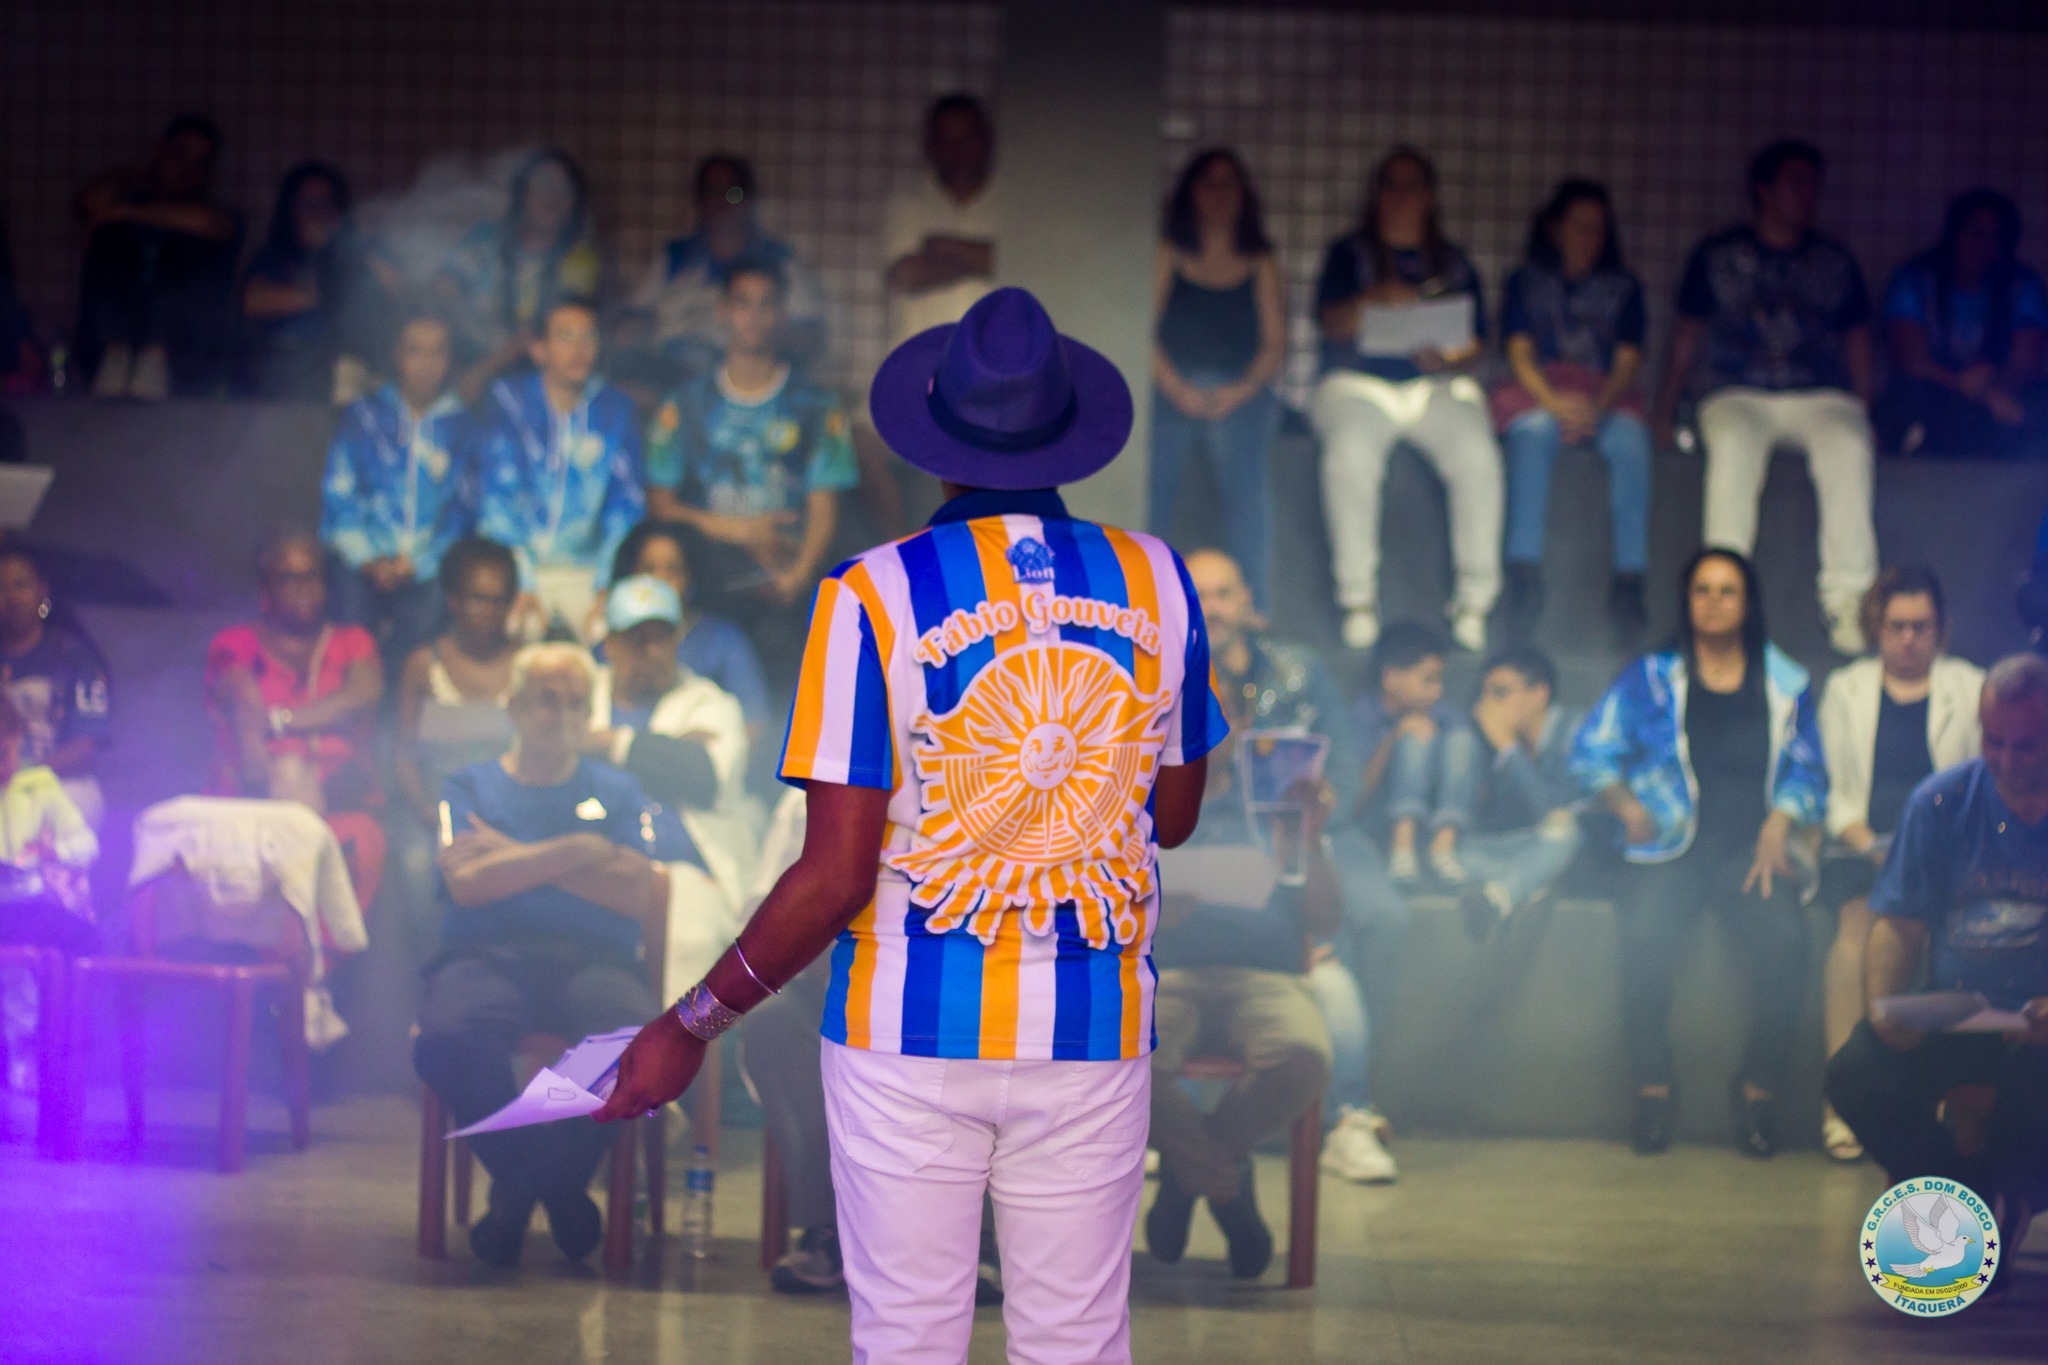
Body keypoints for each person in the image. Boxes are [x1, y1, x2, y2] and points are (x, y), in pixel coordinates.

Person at [593, 287, 1228, 1362]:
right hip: (1091, 1029)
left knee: (908, 1341)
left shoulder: (868, 596)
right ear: (1067, 438)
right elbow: (1170, 817)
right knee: (1075, 1341)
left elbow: (836, 875)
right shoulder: (1159, 581)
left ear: (937, 451)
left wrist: (691, 1022)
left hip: (905, 1038)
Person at [412, 643, 671, 1268]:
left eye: (576, 702)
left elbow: (639, 891)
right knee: (447, 1036)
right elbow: (468, 885)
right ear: (515, 707)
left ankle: (520, 1190)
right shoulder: (468, 784)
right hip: (484, 954)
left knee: (634, 1041)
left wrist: (512, 855)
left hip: (593, 960)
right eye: (546, 699)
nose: (562, 713)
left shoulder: (620, 788)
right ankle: (552, 1187)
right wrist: (581, 849)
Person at [1571, 547, 1826, 1157]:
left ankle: (1759, 1091)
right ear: (1686, 602)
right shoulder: (1653, 677)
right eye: (1702, 590)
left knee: (1788, 946)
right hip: (1668, 848)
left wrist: (1780, 823)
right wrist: (1624, 803)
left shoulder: (1785, 682)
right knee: (1644, 939)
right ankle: (1653, 1089)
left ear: (1748, 602)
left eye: (1727, 591)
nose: (1713, 602)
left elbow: (1809, 770)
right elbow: (1591, 752)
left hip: (1750, 849)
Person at [1184, 545, 1399, 1183]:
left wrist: (1321, 812)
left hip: (1313, 827)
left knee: (1375, 919)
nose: (1213, 608)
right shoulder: (1163, 677)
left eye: (1223, 593)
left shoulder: (1299, 670)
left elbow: (1342, 765)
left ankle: (1348, 1113)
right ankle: (1198, 1127)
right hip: (1211, 833)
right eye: (1198, 596)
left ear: (1248, 602)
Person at [1826, 653, 2048, 1262]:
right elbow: (1897, 923)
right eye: (1993, 741)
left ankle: (2000, 1205)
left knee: (2035, 1084)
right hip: (1962, 1019)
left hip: (2040, 1035)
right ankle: (1959, 1194)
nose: (2004, 761)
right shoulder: (1942, 802)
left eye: (2026, 747)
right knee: (1855, 1073)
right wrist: (1886, 1007)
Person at [1653, 140, 1877, 656]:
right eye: (1796, 182)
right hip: (1738, 393)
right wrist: (1664, 411)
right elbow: (1686, 336)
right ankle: (1721, 599)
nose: (1808, 195)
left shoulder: (1833, 260)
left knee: (1848, 446)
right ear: (1764, 190)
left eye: (1813, 184)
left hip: (1819, 394)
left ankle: (1848, 602)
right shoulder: (1718, 255)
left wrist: (1867, 408)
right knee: (1732, 447)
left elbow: (1858, 337)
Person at [1816, 565, 1983, 1162]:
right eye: (1897, 626)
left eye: (1921, 626)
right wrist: (1869, 843)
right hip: (1860, 841)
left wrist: (1923, 848)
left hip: (1944, 847)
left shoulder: (1970, 685)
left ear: (1940, 628)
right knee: (1855, 926)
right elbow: (1833, 789)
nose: (1909, 638)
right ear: (1876, 628)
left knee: (1953, 936)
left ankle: (1934, 1094)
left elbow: (1979, 783)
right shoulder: (1846, 688)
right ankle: (1843, 1098)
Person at [1147, 754, 1336, 1279]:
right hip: (1162, 971)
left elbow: (1327, 920)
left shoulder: (1278, 800)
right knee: (1119, 1062)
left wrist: (1312, 839)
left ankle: (1189, 1176)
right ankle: (1228, 1189)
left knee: (1303, 1057)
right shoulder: (1133, 786)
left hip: (1267, 975)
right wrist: (1150, 908)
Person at [1313, 146, 1502, 654]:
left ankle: (1474, 603)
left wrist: (1447, 355)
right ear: (1376, 195)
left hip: (1432, 387)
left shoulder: (1455, 261)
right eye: (1391, 186)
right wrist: (1377, 298)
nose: (1401, 197)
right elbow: (1329, 323)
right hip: (1359, 384)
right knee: (1349, 457)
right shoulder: (1348, 254)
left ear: (1430, 197)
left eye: (1412, 185)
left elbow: (1477, 342)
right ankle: (1356, 601)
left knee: (1477, 458)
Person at [643, 259, 857, 685]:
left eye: (766, 304)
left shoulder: (815, 405)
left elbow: (825, 504)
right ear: (722, 311)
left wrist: (801, 573)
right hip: (707, 584)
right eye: (742, 303)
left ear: (782, 314)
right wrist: (736, 530)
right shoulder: (686, 403)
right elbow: (659, 506)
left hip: (786, 587)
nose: (753, 316)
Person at [1495, 179, 1652, 639]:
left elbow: (1628, 362)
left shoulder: (1625, 287)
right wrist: (1554, 403)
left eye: (1599, 229)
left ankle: (1630, 580)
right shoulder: (1526, 281)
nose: (1590, 237)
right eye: (1579, 226)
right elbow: (1519, 353)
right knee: (1532, 434)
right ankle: (1522, 573)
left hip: (1604, 396)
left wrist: (1594, 408)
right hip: (1542, 391)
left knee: (1630, 443)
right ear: (1554, 228)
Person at [1149, 149, 1287, 611]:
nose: (1219, 195)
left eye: (1229, 184)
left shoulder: (1259, 259)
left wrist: (1237, 392)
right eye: (1209, 183)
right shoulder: (1169, 250)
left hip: (1240, 390)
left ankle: (1257, 607)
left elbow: (1273, 346)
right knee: (1155, 484)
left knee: (1247, 490)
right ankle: (1143, 600)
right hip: (1172, 385)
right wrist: (1175, 388)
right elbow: (1141, 333)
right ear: (1190, 191)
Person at [865, 93, 1000, 537]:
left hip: (995, 390)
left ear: (986, 141)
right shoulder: (907, 202)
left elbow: (1026, 262)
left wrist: (942, 247)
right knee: (921, 507)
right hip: (922, 383)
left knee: (987, 512)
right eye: (947, 139)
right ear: (929, 146)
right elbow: (907, 273)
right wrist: (983, 256)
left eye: (967, 137)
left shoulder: (1013, 199)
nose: (958, 148)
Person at [474, 297, 645, 642]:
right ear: (539, 349)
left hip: (586, 570)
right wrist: (521, 580)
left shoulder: (615, 409)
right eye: (565, 336)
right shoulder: (509, 401)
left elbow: (625, 506)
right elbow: (496, 500)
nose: (578, 349)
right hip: (519, 565)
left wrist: (605, 582)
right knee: (518, 631)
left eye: (588, 337)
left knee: (606, 636)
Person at [587, 574, 754, 917]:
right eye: (639, 640)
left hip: (687, 880)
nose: (654, 652)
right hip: (591, 872)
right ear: (610, 644)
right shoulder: (578, 693)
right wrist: (664, 752)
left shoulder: (711, 703)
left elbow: (702, 775)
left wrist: (607, 743)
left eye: (663, 639)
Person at [320, 307, 479, 667]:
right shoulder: (363, 416)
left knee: (422, 628)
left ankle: (400, 716)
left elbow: (462, 511)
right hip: (362, 561)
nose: (426, 363)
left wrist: (420, 563)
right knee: (352, 631)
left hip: (427, 565)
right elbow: (340, 495)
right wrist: (369, 559)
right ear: (396, 355)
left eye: (437, 351)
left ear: (449, 360)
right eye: (415, 350)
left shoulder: (462, 425)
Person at [206, 528, 383, 816]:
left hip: (345, 804)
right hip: (257, 807)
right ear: (265, 588)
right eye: (288, 579)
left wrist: (280, 721)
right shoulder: (235, 644)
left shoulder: (352, 641)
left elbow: (360, 696)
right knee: (288, 771)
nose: (303, 588)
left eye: (311, 576)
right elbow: (248, 722)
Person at [73, 113, 241, 399]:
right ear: (160, 151)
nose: (187, 169)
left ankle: (157, 357)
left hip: (185, 358)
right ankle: (116, 355)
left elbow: (215, 226)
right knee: (110, 236)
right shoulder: (123, 215)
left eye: (200, 163)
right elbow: (90, 202)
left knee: (196, 245)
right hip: (110, 347)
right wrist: (136, 173)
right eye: (179, 155)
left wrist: (120, 212)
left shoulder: (214, 216)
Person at [1876, 188, 2048, 460]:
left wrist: (1995, 386)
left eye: (1991, 236)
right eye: (1971, 231)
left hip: (2002, 395)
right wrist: (1969, 387)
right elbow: (1908, 359)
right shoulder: (1916, 280)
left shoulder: (2022, 286)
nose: (1979, 244)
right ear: (1952, 234)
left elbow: (2027, 362)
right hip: (1937, 393)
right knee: (1905, 398)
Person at [623, 153, 826, 383]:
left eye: (733, 193)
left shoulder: (780, 261)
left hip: (749, 381)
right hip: (672, 381)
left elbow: (810, 335)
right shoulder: (676, 257)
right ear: (699, 200)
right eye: (712, 192)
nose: (722, 202)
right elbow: (633, 320)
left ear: (749, 200)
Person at [1434, 643, 1582, 939]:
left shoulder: (1574, 731)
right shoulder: (1484, 740)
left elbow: (1555, 816)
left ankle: (1499, 897)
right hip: (1518, 853)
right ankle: (1528, 884)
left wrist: (1507, 749)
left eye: (1500, 693)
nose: (1487, 705)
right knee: (1461, 853)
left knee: (1564, 833)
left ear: (1539, 694)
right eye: (1484, 694)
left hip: (1566, 851)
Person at [437, 148, 602, 403]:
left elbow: (539, 333)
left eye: (564, 189)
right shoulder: (486, 239)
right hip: (461, 357)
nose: (552, 198)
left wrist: (480, 372)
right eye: (543, 186)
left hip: (526, 373)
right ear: (522, 194)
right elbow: (442, 291)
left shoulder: (579, 260)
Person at [0, 693, 101, 1093]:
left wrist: (53, 850)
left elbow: (87, 844)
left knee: (72, 940)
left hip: (26, 903)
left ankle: (44, 1054)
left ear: (18, 737)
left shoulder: (38, 788)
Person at [393, 536, 522, 832]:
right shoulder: (424, 666)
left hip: (513, 819)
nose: (488, 611)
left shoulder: (528, 665)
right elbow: (403, 755)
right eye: (478, 598)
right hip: (437, 815)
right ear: (454, 600)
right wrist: (427, 812)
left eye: (498, 600)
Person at [608, 521, 771, 737]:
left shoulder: (724, 641)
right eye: (648, 569)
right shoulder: (615, 636)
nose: (660, 580)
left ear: (691, 576)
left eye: (673, 570)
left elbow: (754, 722)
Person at [241, 161, 384, 400]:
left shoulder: (359, 251)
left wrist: (338, 248)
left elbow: (391, 287)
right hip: (279, 366)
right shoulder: (273, 255)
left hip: (342, 368)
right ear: (291, 210)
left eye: (326, 203)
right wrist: (329, 289)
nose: (318, 212)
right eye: (308, 204)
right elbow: (252, 301)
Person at [0, 543, 111, 828]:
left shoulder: (74, 655)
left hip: (63, 787)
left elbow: (85, 744)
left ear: (42, 590)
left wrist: (26, 777)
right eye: (2, 588)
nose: (11, 597)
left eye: (21, 585)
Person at [1350, 621, 1458, 885]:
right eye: (1428, 679)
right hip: (1378, 828)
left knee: (1461, 740)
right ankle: (1402, 848)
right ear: (1391, 678)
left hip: (1431, 828)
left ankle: (1443, 849)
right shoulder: (1363, 715)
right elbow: (1353, 796)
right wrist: (1395, 737)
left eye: (1440, 680)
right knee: (1411, 739)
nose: (1438, 690)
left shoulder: (1445, 717)